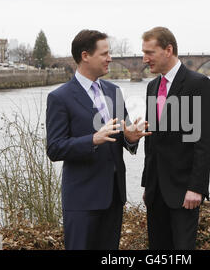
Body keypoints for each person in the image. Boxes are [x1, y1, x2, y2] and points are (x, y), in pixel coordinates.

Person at [46, 29, 150, 250]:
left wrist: (131, 138)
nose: (110, 58)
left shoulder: (114, 91)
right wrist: (92, 139)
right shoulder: (59, 97)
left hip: (114, 196)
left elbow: (124, 136)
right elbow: (54, 148)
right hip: (82, 200)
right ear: (85, 56)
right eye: (104, 54)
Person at [141, 27, 210, 250]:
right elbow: (152, 141)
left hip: (185, 192)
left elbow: (205, 141)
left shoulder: (198, 84)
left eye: (150, 52)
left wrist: (197, 187)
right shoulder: (152, 87)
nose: (145, 59)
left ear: (168, 50)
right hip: (156, 193)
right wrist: (148, 183)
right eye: (143, 53)